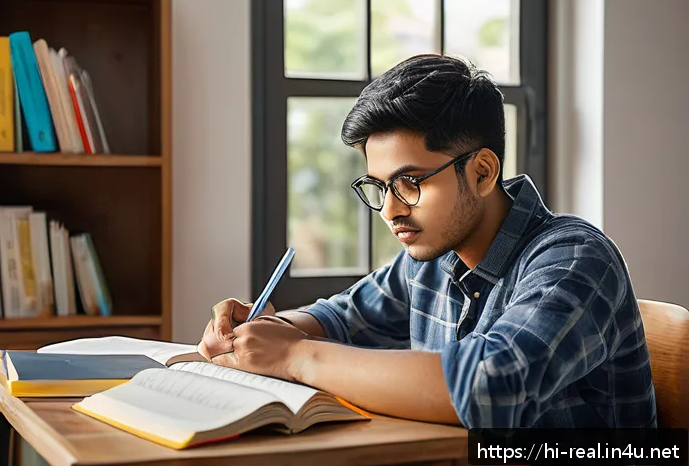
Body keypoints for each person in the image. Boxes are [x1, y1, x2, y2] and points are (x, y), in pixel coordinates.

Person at [197, 54, 657, 429]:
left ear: (481, 172)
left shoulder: (575, 258)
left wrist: (295, 356)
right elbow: (344, 317)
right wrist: (267, 329)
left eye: (411, 182)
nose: (392, 210)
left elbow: (490, 388)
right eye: (380, 186)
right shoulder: (433, 255)